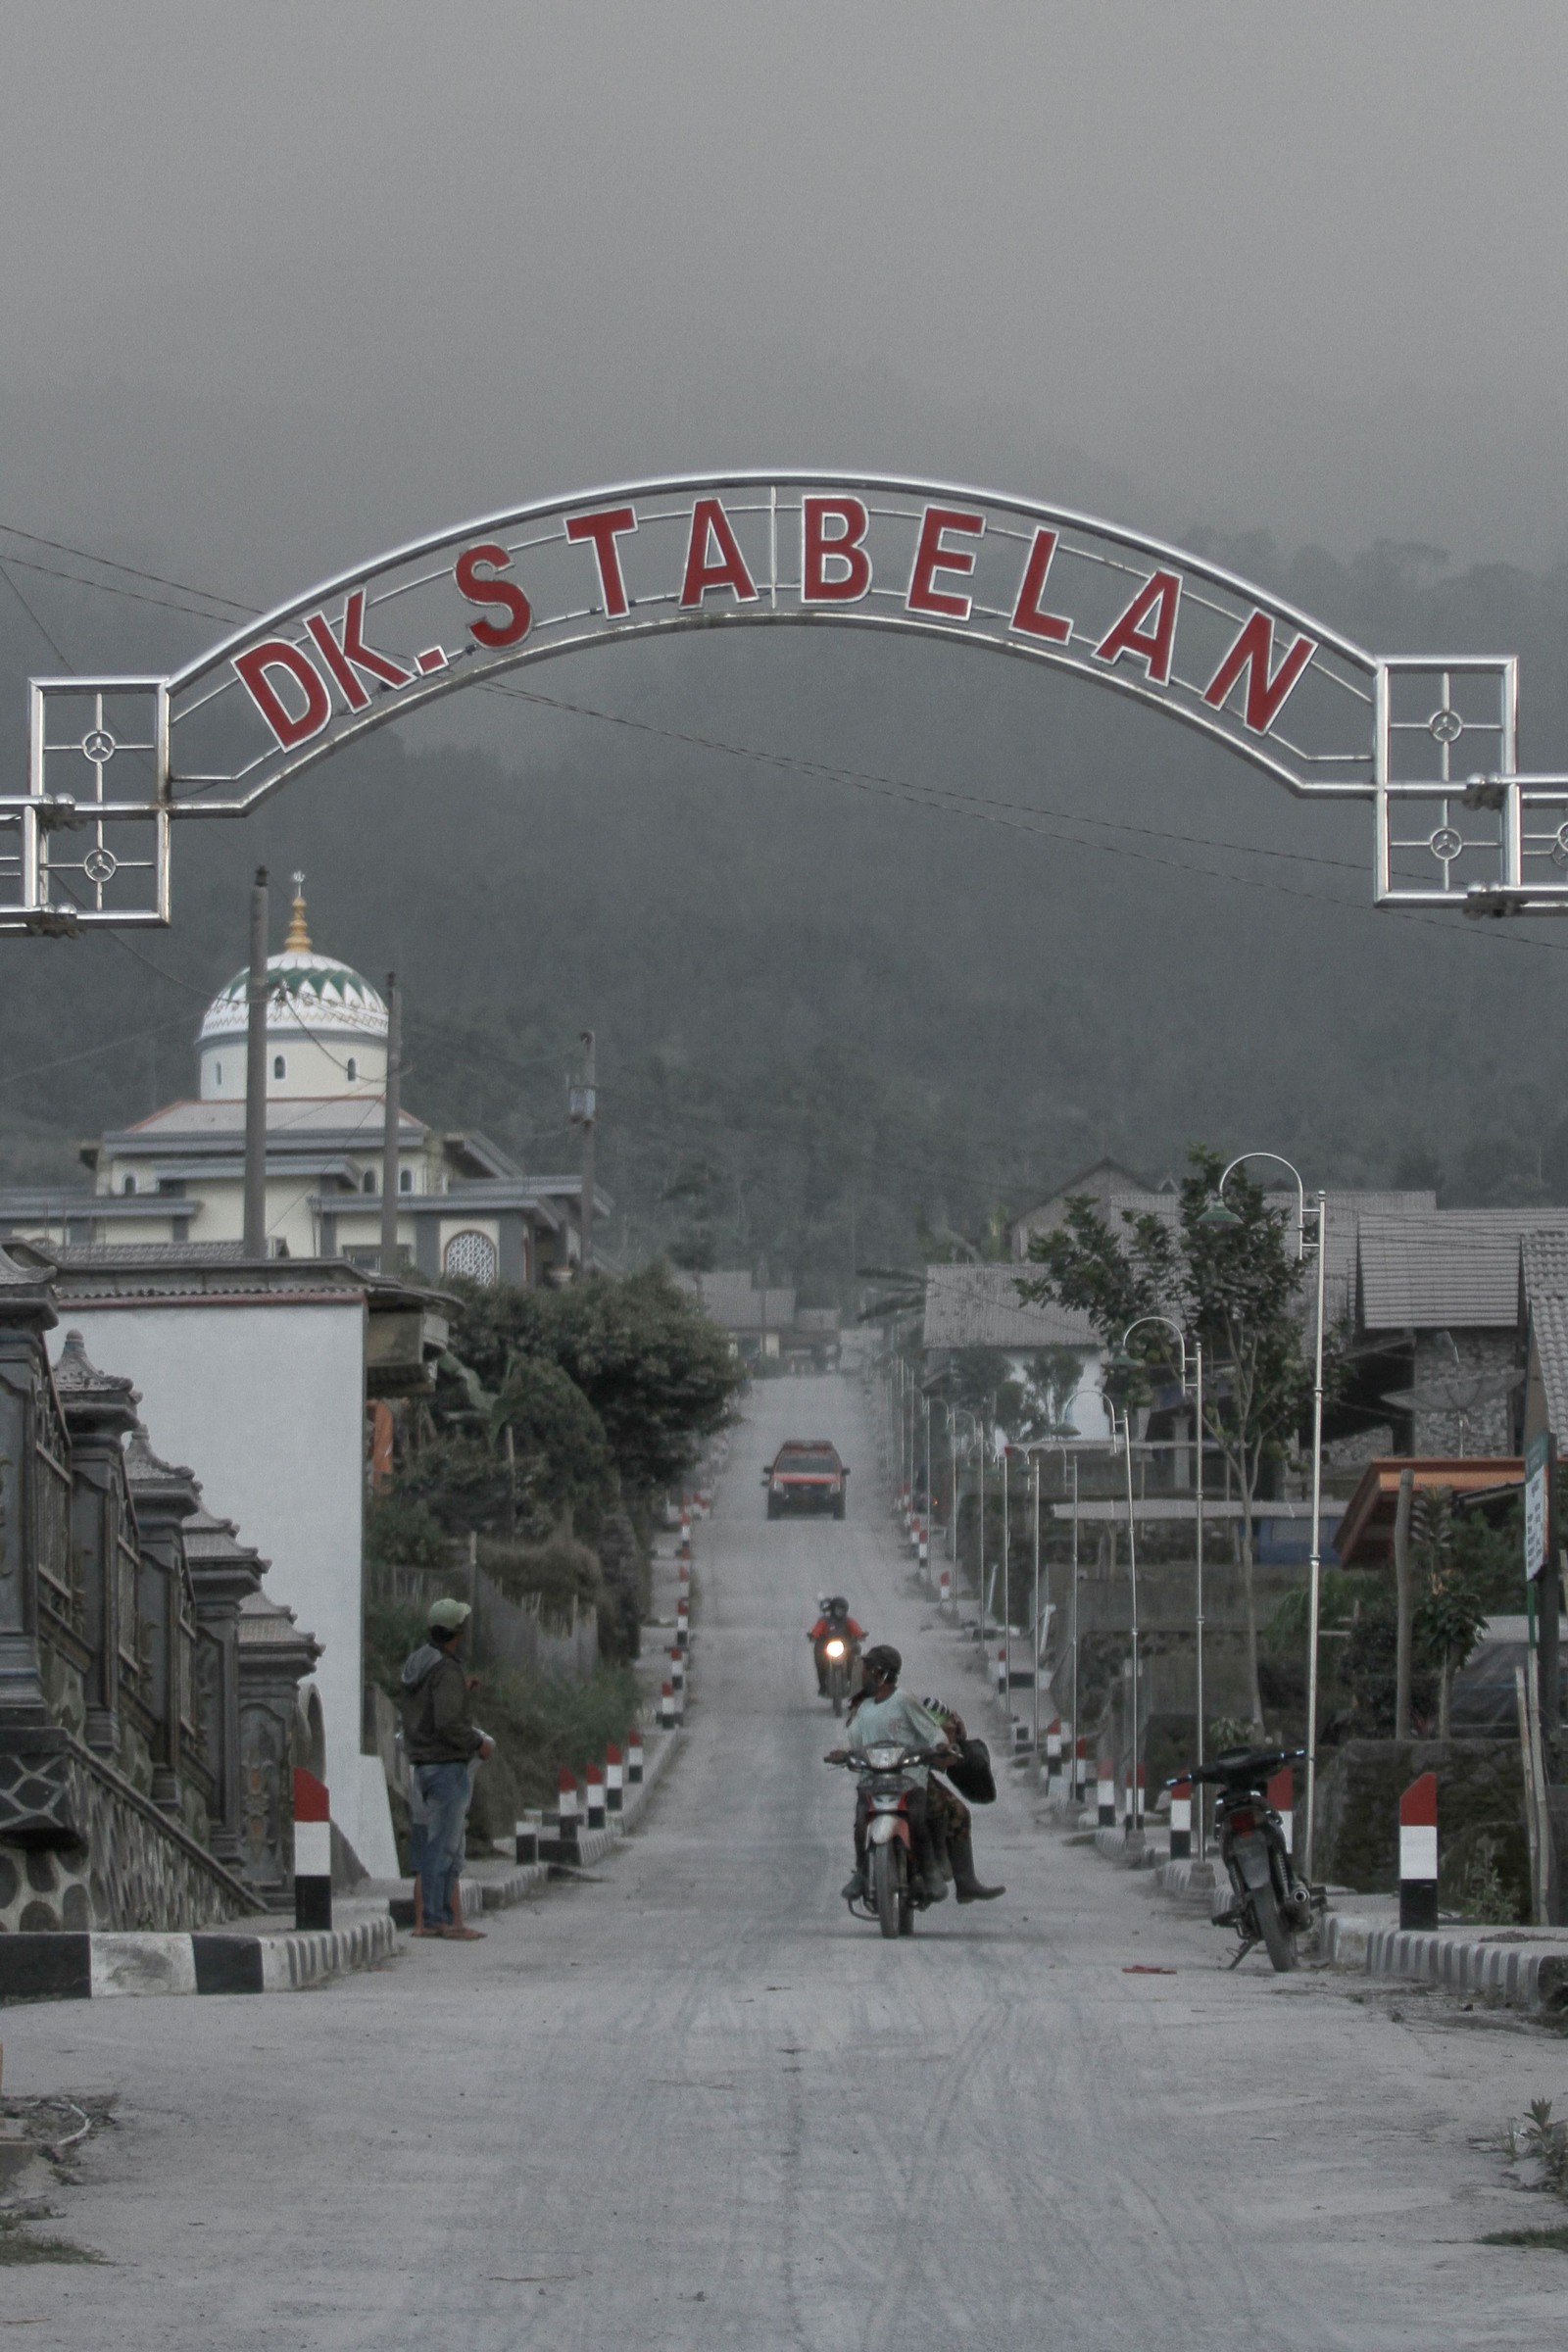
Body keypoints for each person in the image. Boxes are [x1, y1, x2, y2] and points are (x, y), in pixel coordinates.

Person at [401, 1597, 495, 1940]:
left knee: (431, 1844)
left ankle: (428, 1922)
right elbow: (448, 1723)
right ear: (454, 1634)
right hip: (445, 1766)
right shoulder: (447, 1670)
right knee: (444, 1847)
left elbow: (427, 1707)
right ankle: (441, 1921)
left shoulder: (418, 1664)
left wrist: (461, 1689)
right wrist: (477, 1744)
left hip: (421, 1765)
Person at [830, 1643, 949, 1904]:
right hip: (873, 1780)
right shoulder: (865, 1708)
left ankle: (928, 1871)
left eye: (868, 1670)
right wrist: (841, 1752)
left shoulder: (904, 1700)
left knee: (917, 1817)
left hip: (908, 1780)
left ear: (881, 1674)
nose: (863, 1675)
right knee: (861, 1820)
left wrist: (938, 1745)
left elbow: (931, 1730)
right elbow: (851, 1738)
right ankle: (862, 1870)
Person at [915, 1696, 1004, 1903]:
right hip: (893, 1779)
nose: (953, 1733)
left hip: (919, 1778)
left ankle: (965, 1882)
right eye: (951, 1730)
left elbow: (946, 1760)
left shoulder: (934, 1726)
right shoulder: (907, 1719)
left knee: (958, 1812)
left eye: (953, 1730)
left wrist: (957, 1745)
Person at [808, 1595, 866, 1695]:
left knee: (853, 1659)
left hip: (845, 1646)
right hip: (827, 1645)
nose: (840, 1612)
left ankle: (853, 1683)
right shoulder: (825, 1620)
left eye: (842, 1609)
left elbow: (856, 1630)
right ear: (833, 1609)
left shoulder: (848, 1621)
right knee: (820, 1662)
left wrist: (861, 1635)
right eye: (838, 1609)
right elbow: (817, 1629)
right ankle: (823, 1686)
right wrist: (813, 1635)